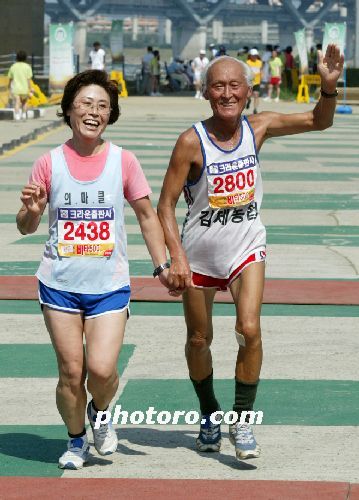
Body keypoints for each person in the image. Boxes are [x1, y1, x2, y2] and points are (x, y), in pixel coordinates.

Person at [157, 45, 343, 461]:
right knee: (199, 338)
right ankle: (209, 411)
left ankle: (242, 422)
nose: (226, 93)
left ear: (248, 90)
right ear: (206, 92)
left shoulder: (260, 127)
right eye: (218, 86)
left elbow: (318, 120)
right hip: (200, 255)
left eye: (234, 86)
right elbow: (165, 204)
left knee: (251, 329)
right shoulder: (190, 141)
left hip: (246, 247)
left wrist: (328, 88)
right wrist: (177, 257)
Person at [16, 70, 173, 469]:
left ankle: (99, 415)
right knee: (71, 372)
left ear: (111, 115)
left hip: (109, 284)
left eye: (103, 106)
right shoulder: (48, 163)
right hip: (59, 284)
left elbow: (146, 216)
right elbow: (26, 224)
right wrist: (31, 211)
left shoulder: (124, 161)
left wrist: (163, 265)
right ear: (68, 109)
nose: (94, 112)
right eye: (86, 103)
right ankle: (74, 441)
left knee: (102, 371)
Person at [7, 50, 33, 121]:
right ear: (25, 58)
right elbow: (28, 80)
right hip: (24, 89)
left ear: (17, 58)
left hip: (16, 88)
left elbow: (10, 79)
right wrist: (30, 88)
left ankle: (17, 115)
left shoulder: (13, 67)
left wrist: (9, 86)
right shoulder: (27, 67)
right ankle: (24, 115)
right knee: (24, 102)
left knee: (17, 102)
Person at [246, 48, 262, 113]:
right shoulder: (248, 62)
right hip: (250, 82)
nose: (254, 56)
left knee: (256, 95)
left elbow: (261, 70)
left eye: (255, 55)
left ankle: (255, 109)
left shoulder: (260, 62)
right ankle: (248, 100)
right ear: (250, 55)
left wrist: (262, 76)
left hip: (257, 82)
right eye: (253, 55)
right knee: (248, 95)